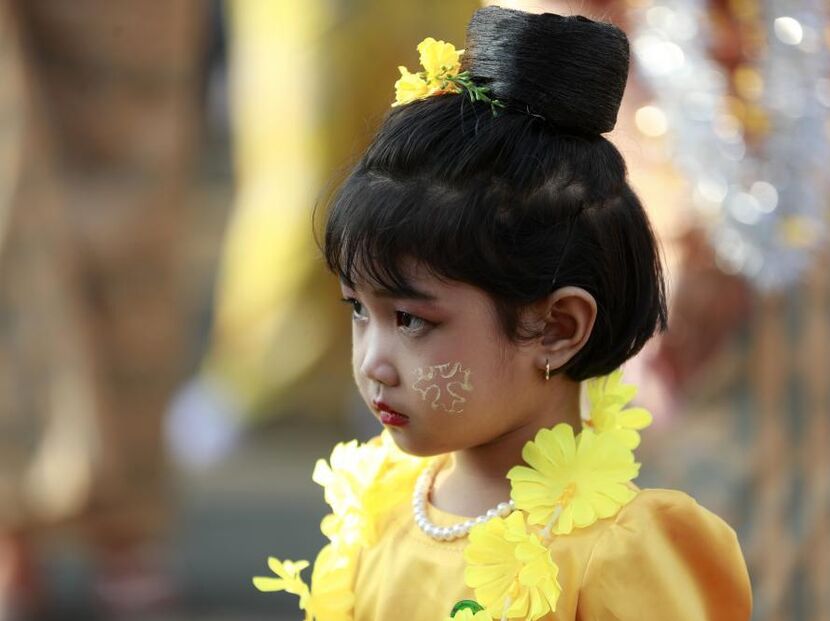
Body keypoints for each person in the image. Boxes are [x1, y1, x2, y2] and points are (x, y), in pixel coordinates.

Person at [252, 7, 752, 620]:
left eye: (411, 320)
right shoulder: (379, 509)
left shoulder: (613, 554)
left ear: (557, 327)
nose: (373, 363)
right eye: (358, 309)